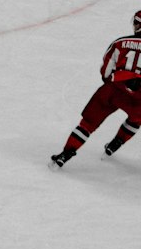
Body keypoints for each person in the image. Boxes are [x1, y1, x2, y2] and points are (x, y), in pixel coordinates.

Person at [50, 10, 141, 168]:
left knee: (87, 123)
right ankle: (116, 143)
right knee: (136, 118)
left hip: (113, 90)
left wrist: (115, 82)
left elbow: (105, 72)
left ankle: (65, 154)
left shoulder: (120, 43)